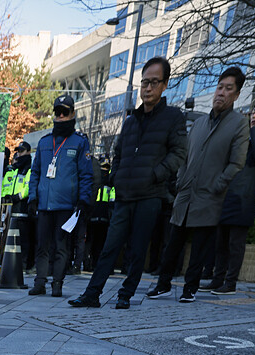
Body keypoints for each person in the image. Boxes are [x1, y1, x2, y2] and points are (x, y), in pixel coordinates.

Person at [68, 57, 187, 310]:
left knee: (137, 248)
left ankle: (126, 294)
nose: (148, 88)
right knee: (110, 246)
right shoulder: (131, 120)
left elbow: (178, 154)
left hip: (150, 194)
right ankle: (92, 294)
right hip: (124, 194)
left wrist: (156, 174)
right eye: (144, 82)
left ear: (165, 84)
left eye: (154, 82)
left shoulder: (173, 117)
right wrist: (116, 177)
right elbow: (118, 153)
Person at [147, 66, 249, 304]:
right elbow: (185, 155)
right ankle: (163, 284)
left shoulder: (238, 124)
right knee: (173, 244)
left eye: (228, 89)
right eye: (220, 87)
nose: (221, 93)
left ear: (236, 95)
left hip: (210, 195)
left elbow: (237, 163)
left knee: (200, 247)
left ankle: (189, 289)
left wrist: (218, 184)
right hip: (186, 193)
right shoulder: (200, 123)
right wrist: (181, 180)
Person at [204, 95, 255, 294]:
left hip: (245, 197)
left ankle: (230, 283)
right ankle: (217, 279)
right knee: (220, 240)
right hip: (228, 193)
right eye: (254, 111)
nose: (254, 114)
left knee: (235, 243)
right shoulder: (246, 134)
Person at [27, 94, 94, 297]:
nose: (62, 116)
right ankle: (40, 282)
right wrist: (32, 197)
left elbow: (86, 174)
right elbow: (36, 172)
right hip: (44, 204)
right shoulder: (45, 142)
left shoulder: (79, 142)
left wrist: (84, 199)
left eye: (65, 112)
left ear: (73, 114)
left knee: (61, 246)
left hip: (66, 205)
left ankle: (57, 283)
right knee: (42, 246)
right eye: (58, 112)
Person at [0, 141, 33, 269]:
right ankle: (7, 264)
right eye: (18, 151)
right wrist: (5, 196)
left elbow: (28, 187)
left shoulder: (29, 168)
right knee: (8, 238)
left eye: (22, 151)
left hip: (22, 208)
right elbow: (5, 185)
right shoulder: (12, 169)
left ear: (28, 152)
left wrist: (17, 197)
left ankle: (23, 265)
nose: (19, 153)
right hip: (8, 208)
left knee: (22, 239)